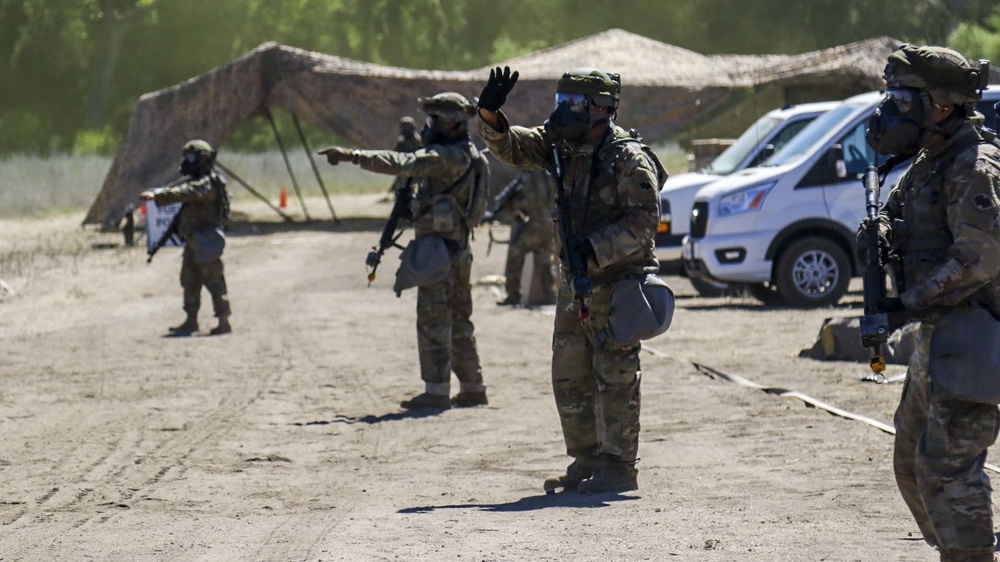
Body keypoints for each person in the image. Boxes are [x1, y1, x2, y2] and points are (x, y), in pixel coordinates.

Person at [476, 66, 666, 493]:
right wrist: (488, 113)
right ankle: (589, 458)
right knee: (570, 373)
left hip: (618, 281)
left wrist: (595, 247)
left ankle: (619, 467)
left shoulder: (627, 157)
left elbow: (645, 221)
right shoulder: (562, 144)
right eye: (559, 104)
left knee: (615, 373)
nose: (562, 113)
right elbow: (513, 147)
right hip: (575, 282)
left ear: (601, 109)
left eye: (572, 105)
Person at [862, 44, 1000, 562]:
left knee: (949, 468)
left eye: (902, 95)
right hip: (937, 334)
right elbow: (904, 223)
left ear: (941, 104)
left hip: (974, 335)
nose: (890, 108)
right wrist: (880, 234)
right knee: (910, 462)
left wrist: (909, 302)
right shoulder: (928, 162)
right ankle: (957, 546)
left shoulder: (973, 164)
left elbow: (980, 255)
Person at [320, 92, 488, 411]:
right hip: (457, 249)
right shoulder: (468, 153)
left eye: (433, 120)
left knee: (433, 319)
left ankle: (437, 391)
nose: (428, 127)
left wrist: (351, 155)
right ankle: (472, 387)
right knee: (459, 320)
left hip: (438, 253)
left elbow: (401, 162)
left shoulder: (445, 157)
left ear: (450, 122)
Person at [140, 139, 232, 336]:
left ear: (203, 159)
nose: (187, 162)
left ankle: (223, 321)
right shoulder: (197, 181)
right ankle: (191, 321)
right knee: (190, 280)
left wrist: (159, 196)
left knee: (214, 281)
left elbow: (188, 192)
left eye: (190, 157)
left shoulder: (209, 184)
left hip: (205, 241)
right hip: (193, 241)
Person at [489, 169, 557, 307]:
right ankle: (549, 294)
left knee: (515, 254)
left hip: (535, 223)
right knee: (544, 258)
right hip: (550, 223)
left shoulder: (527, 177)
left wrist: (511, 205)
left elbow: (525, 201)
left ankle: (513, 294)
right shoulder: (550, 174)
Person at [388, 116, 423, 194]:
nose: (405, 129)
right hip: (403, 171)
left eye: (407, 127)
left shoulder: (419, 141)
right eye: (403, 127)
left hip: (416, 172)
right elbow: (395, 155)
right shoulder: (401, 142)